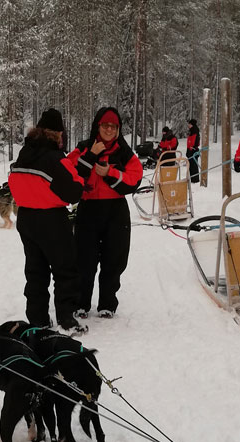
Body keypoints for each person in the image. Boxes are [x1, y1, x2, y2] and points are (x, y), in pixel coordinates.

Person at [8, 108, 87, 335]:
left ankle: (38, 319)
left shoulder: (25, 152)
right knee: (65, 269)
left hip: (26, 217)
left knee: (35, 271)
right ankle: (66, 319)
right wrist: (80, 177)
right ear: (58, 133)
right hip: (52, 219)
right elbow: (73, 192)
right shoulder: (55, 158)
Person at [66, 107, 143, 319]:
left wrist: (110, 173)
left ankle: (107, 303)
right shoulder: (83, 148)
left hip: (116, 210)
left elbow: (134, 179)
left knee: (114, 258)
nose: (109, 130)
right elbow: (69, 172)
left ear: (118, 129)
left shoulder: (124, 152)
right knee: (84, 259)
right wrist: (91, 155)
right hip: (88, 208)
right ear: (97, 126)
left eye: (113, 126)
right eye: (105, 125)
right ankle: (81, 302)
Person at [186, 118, 200, 183]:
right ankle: (192, 179)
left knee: (193, 166)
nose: (188, 125)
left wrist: (191, 148)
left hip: (193, 150)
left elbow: (194, 141)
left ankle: (195, 179)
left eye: (189, 124)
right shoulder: (191, 131)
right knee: (191, 165)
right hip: (191, 150)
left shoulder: (194, 131)